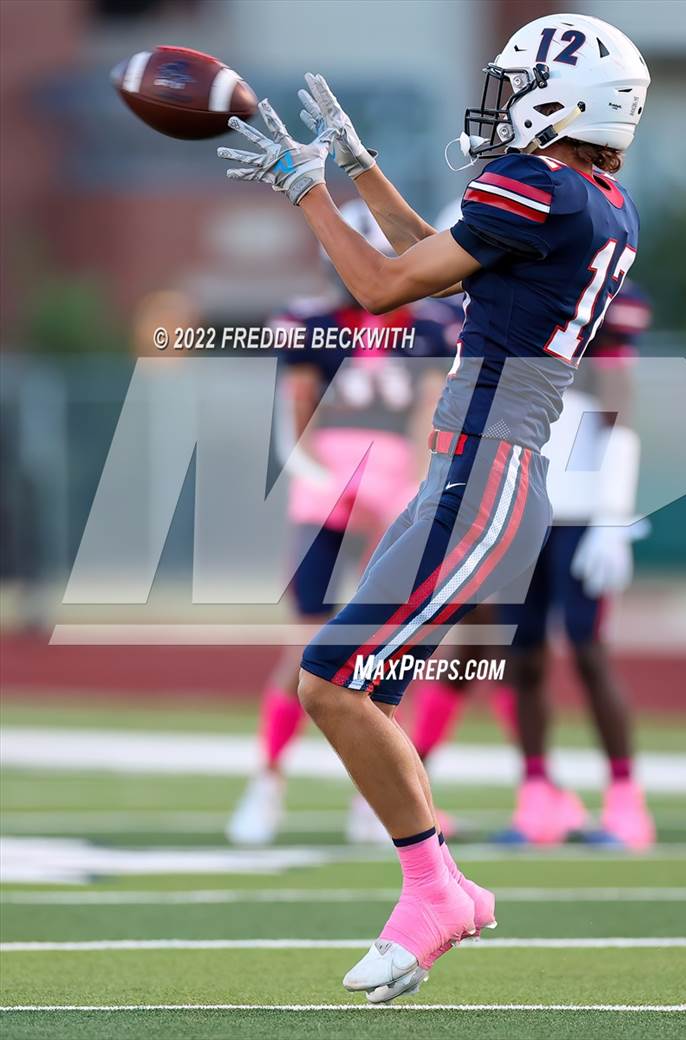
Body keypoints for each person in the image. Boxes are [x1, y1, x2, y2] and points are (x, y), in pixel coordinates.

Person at [217, 12, 649, 1002]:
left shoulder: (539, 186)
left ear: (564, 101)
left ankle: (436, 888)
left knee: (333, 680)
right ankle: (437, 882)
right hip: (478, 471)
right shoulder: (593, 199)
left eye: (515, 87)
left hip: (484, 473)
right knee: (350, 680)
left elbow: (377, 287)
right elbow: (447, 264)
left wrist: (308, 191)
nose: (497, 108)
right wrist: (363, 171)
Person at [227, 200, 458, 845]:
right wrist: (315, 475)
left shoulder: (432, 324)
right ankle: (268, 782)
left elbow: (430, 413)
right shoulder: (310, 323)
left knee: (391, 649)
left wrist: (415, 484)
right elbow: (294, 416)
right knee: (305, 645)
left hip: (394, 487)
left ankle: (374, 799)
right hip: (328, 489)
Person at [408, 280, 657, 851]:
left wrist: (614, 516)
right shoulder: (509, 303)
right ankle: (538, 795)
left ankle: (626, 802)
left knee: (588, 651)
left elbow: (622, 411)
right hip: (521, 502)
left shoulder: (591, 296)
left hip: (583, 509)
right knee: (521, 660)